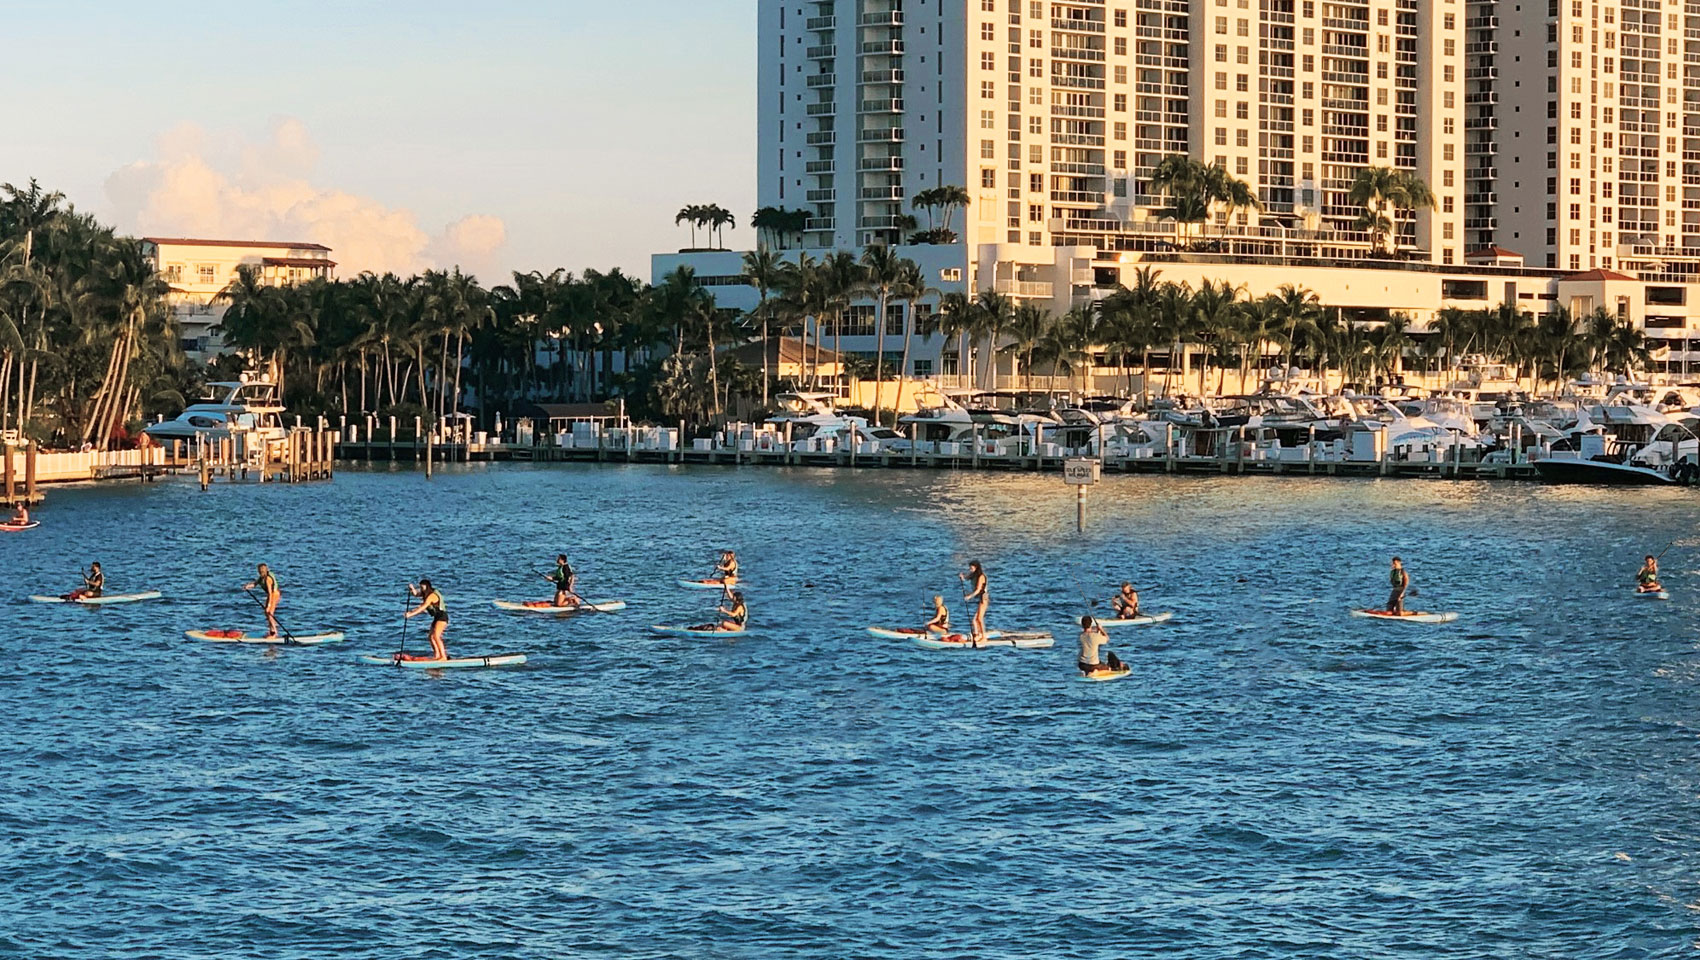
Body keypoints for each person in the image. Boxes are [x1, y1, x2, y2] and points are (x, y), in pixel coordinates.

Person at [400, 578, 450, 661]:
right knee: (430, 636)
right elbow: (416, 594)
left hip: (442, 617)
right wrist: (412, 589)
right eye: (421, 588)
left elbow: (422, 607)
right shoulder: (425, 593)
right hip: (436, 617)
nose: (422, 590)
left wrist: (410, 614)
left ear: (428, 587)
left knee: (436, 636)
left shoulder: (432, 596)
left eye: (423, 588)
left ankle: (443, 656)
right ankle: (437, 655)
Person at [243, 563, 282, 639]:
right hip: (271, 595)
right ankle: (271, 630)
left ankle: (274, 633)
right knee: (266, 613)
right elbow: (255, 584)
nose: (258, 572)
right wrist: (247, 586)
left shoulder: (268, 579)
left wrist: (269, 605)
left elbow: (270, 593)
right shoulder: (261, 578)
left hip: (274, 594)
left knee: (269, 612)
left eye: (259, 571)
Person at [962, 560, 989, 643]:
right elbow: (966, 578)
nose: (970, 570)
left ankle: (984, 637)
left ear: (976, 568)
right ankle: (977, 635)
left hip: (983, 598)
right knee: (974, 620)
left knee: (979, 619)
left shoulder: (981, 576)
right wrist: (962, 577)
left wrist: (969, 596)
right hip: (979, 598)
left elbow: (978, 590)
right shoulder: (973, 575)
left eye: (971, 568)